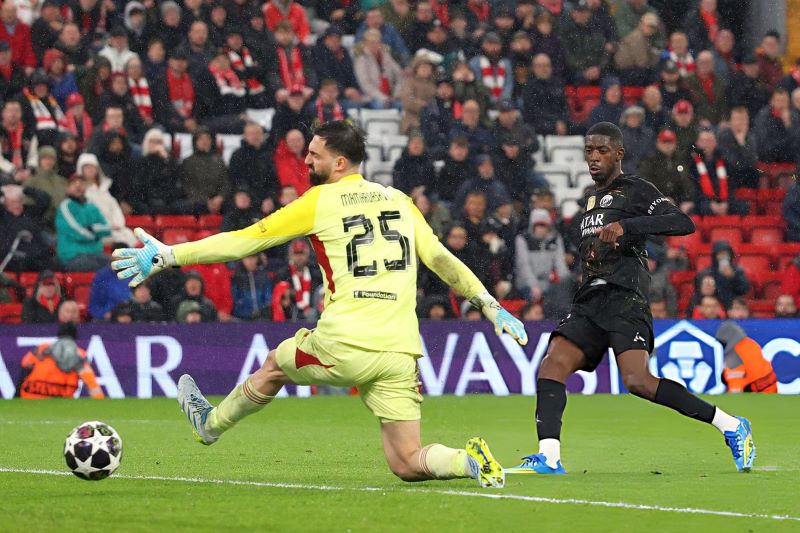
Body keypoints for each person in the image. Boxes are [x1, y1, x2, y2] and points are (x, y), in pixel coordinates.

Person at [112, 120, 527, 487]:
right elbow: (440, 258)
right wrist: (489, 304)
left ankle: (211, 424)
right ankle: (466, 460)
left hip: (344, 342)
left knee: (275, 364)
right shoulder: (400, 201)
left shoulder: (319, 201)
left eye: (315, 154)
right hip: (400, 350)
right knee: (407, 460)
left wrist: (171, 255)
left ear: (340, 162)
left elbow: (245, 241)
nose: (307, 160)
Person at [506, 122, 755, 476]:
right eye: (589, 150)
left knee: (637, 380)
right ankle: (548, 456)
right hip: (590, 300)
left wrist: (628, 226)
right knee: (552, 364)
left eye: (602, 150)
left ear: (619, 154)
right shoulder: (589, 201)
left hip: (625, 298)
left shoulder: (636, 189)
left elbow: (682, 222)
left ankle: (730, 425)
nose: (594, 157)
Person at [16, 322, 105, 399]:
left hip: (31, 396)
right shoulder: (80, 354)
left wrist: (16, 396)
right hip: (60, 399)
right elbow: (91, 382)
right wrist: (100, 401)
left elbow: (24, 368)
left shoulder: (41, 349)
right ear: (75, 337)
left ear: (58, 335)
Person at [55, 173, 110, 271]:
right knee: (108, 269)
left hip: (95, 253)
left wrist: (91, 228)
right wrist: (95, 235)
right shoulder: (65, 207)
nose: (78, 186)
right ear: (67, 189)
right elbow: (76, 232)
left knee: (121, 265)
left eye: (81, 183)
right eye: (74, 184)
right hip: (72, 256)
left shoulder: (91, 206)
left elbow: (107, 229)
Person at [715, 321, 778, 394]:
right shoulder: (750, 343)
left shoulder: (733, 354)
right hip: (770, 389)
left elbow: (735, 386)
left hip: (755, 394)